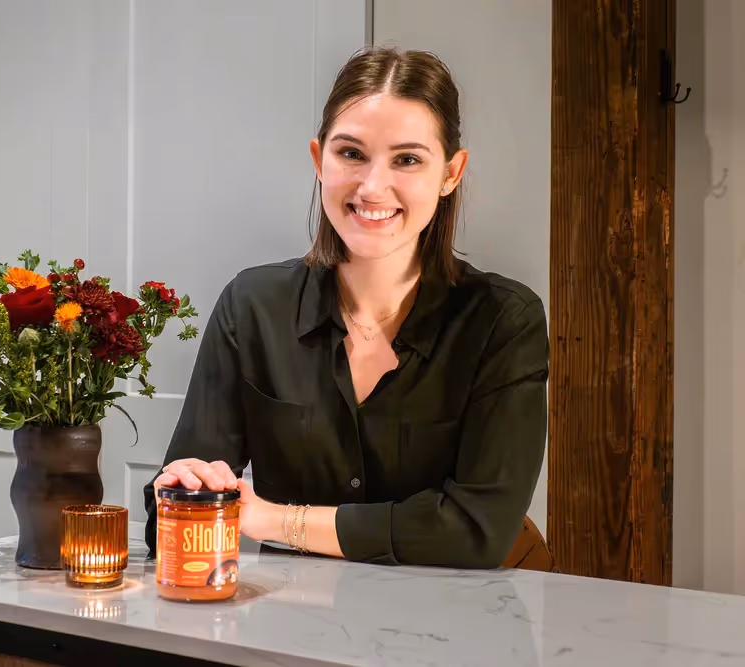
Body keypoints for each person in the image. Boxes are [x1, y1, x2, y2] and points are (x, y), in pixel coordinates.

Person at [142, 47, 549, 569]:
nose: (372, 186)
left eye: (407, 159)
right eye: (351, 154)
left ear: (451, 173)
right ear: (319, 160)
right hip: (288, 634)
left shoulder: (503, 321)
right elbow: (173, 513)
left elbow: (475, 532)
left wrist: (267, 519)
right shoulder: (252, 307)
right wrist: (186, 489)